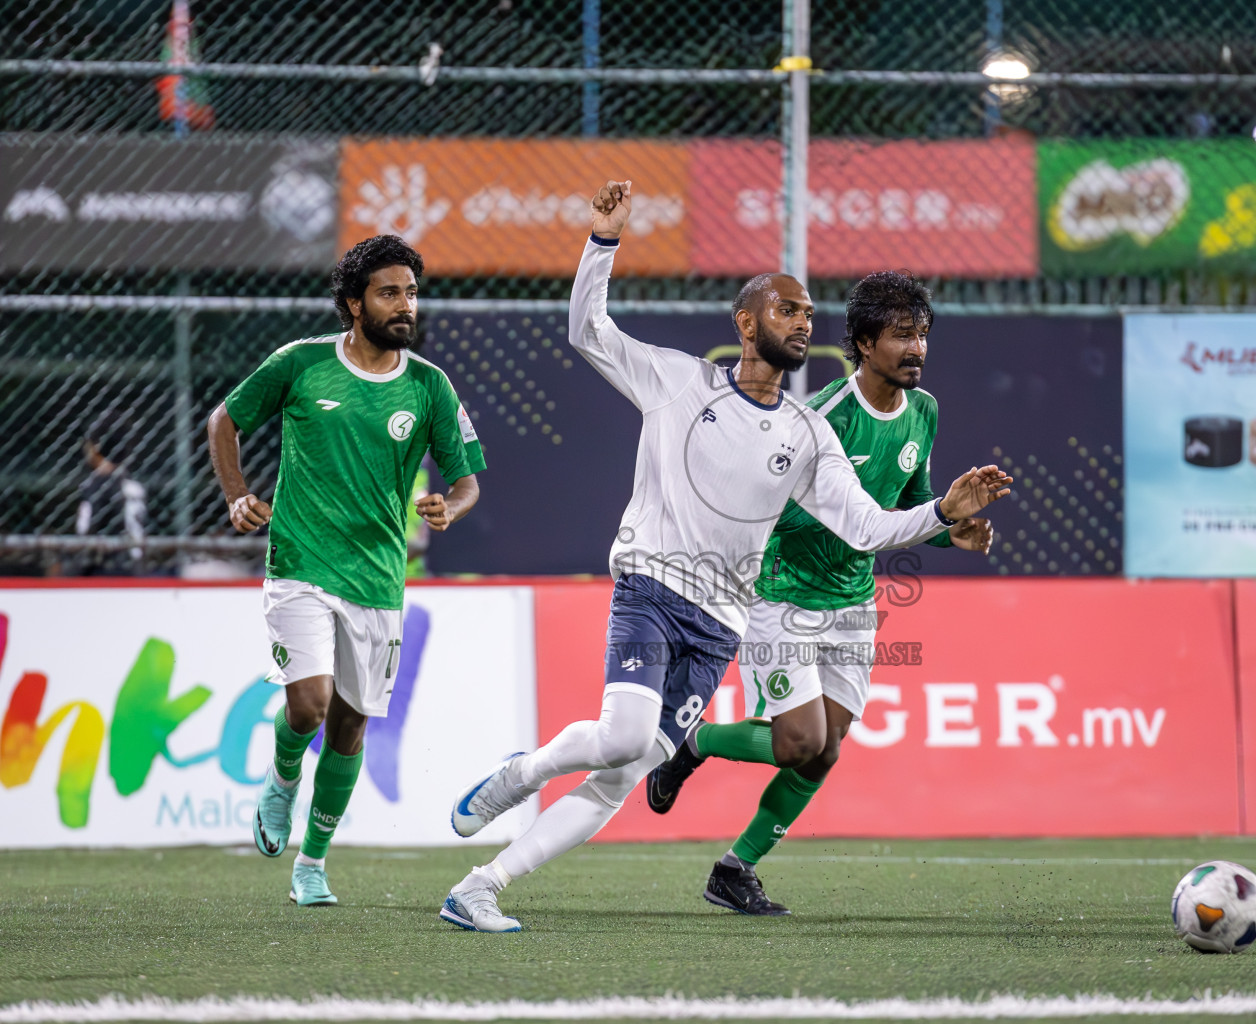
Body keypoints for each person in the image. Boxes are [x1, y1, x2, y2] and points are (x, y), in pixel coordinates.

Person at [437, 180, 1011, 933]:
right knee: (625, 737)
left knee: (624, 774)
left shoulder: (809, 433)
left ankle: (481, 887)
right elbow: (587, 331)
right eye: (786, 307)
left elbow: (868, 528)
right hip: (651, 586)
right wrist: (602, 245)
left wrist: (943, 513)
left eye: (808, 312)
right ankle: (525, 771)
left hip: (722, 624)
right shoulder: (678, 381)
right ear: (745, 322)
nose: (802, 320)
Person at [644, 270, 994, 915]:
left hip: (853, 605)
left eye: (923, 335)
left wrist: (951, 534)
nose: (916, 348)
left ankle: (734, 869)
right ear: (863, 343)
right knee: (798, 743)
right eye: (901, 336)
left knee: (824, 752)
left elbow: (910, 504)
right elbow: (772, 508)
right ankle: (691, 743)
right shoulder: (823, 419)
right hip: (782, 596)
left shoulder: (925, 410)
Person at [207, 234, 484, 907]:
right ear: (354, 303)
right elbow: (224, 420)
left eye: (412, 292)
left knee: (351, 726)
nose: (405, 305)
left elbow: (469, 478)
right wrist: (237, 494)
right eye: (390, 292)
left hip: (378, 580)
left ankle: (313, 862)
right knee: (309, 704)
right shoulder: (300, 364)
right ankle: (280, 783)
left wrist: (451, 505)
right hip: (300, 562)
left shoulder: (429, 386)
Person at [74, 419, 149, 574]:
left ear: (96, 447)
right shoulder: (134, 486)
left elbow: (86, 529)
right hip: (134, 566)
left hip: (103, 567)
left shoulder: (94, 486)